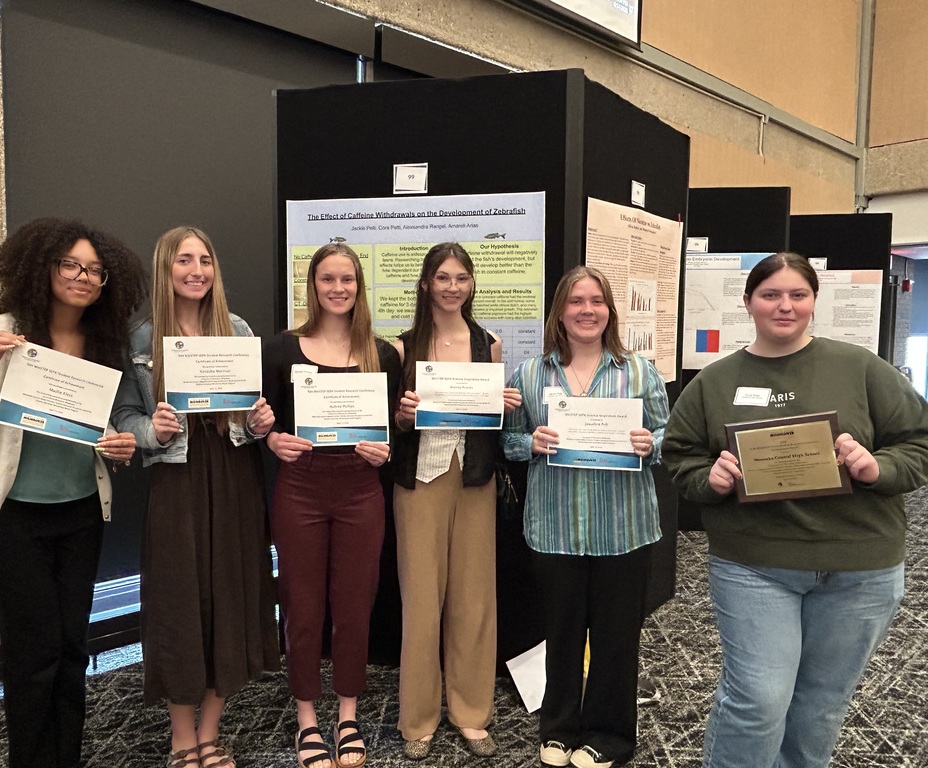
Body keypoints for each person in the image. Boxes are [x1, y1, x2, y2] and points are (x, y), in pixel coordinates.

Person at [662, 252, 928, 768]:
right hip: (754, 564)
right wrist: (708, 478)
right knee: (758, 701)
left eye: (797, 295)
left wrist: (877, 467)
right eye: (771, 295)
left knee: (820, 704)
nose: (785, 306)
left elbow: (918, 442)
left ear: (813, 301)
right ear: (748, 302)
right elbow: (680, 456)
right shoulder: (715, 382)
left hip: (860, 565)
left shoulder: (860, 368)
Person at [0, 218, 145, 768]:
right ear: (43, 267)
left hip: (81, 515)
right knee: (34, 654)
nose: (83, 277)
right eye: (70, 265)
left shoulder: (102, 341)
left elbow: (95, 429)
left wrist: (118, 445)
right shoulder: (3, 332)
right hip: (12, 520)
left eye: (95, 270)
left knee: (73, 649)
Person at [111, 226, 280, 768]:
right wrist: (152, 430)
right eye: (183, 260)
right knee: (179, 602)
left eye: (204, 260)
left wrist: (260, 422)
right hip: (177, 479)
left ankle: (210, 732)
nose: (196, 271)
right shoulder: (140, 338)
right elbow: (123, 416)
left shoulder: (237, 329)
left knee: (232, 598)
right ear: (166, 269)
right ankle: (182, 737)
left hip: (234, 475)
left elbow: (251, 415)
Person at [502, 265, 668, 768]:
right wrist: (529, 442)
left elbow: (669, 436)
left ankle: (609, 737)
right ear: (560, 311)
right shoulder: (530, 373)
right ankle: (558, 730)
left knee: (616, 639)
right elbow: (508, 440)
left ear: (609, 311)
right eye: (576, 301)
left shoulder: (638, 372)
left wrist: (651, 443)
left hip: (622, 528)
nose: (587, 310)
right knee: (561, 634)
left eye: (596, 301)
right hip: (556, 527)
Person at [263, 243, 401, 768]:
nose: (338, 288)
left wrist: (385, 450)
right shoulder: (281, 349)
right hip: (300, 488)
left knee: (354, 607)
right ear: (313, 285)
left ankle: (347, 714)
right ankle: (306, 718)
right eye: (328, 279)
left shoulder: (383, 354)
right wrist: (271, 439)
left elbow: (391, 431)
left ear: (359, 286)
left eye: (347, 279)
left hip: (360, 490)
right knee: (301, 608)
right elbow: (263, 421)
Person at [390, 242, 521, 760]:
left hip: (474, 479)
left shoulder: (490, 344)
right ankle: (418, 718)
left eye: (461, 277)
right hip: (420, 482)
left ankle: (470, 713)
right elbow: (390, 426)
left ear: (471, 284)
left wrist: (504, 405)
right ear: (426, 283)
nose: (452, 287)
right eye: (442, 277)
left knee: (473, 598)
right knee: (422, 601)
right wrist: (402, 416)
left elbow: (492, 423)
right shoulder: (402, 348)